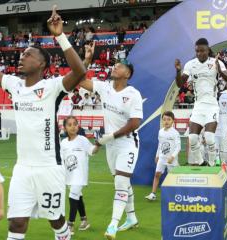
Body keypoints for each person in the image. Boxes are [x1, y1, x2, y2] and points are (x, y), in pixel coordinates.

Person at [0, 5, 86, 240]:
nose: (21, 57)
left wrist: (60, 36)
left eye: (28, 54)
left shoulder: (52, 87)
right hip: (23, 168)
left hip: (49, 168)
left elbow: (79, 70)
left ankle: (64, 234)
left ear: (42, 64)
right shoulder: (14, 85)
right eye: (22, 54)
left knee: (55, 220)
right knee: (16, 223)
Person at [80, 42, 143, 239]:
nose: (115, 66)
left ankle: (113, 225)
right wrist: (88, 59)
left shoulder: (133, 94)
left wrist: (111, 136)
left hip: (127, 144)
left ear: (128, 74)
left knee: (120, 184)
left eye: (120, 65)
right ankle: (131, 217)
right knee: (121, 182)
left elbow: (134, 123)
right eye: (115, 64)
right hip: (111, 145)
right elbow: (79, 80)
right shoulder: (104, 87)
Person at [175, 38, 227, 167]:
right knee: (192, 139)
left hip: (212, 106)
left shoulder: (216, 62)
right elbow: (180, 83)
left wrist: (219, 70)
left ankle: (212, 164)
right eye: (197, 51)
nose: (199, 53)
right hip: (198, 106)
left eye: (202, 51)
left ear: (208, 50)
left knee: (209, 137)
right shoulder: (190, 64)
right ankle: (201, 162)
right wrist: (178, 71)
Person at [60, 116, 99, 235]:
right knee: (78, 197)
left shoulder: (82, 139)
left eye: (75, 124)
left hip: (80, 175)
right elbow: (61, 160)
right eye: (69, 125)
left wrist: (99, 145)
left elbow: (92, 151)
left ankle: (70, 225)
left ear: (78, 126)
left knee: (73, 197)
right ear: (65, 128)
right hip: (69, 176)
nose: (73, 127)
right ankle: (84, 220)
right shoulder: (63, 143)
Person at [145, 111, 180, 201]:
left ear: (173, 121)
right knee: (157, 175)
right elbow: (160, 145)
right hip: (162, 158)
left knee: (172, 177)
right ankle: (153, 194)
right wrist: (157, 155)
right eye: (164, 119)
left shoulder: (175, 133)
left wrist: (172, 157)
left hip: (172, 160)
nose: (166, 121)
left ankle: (175, 196)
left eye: (168, 119)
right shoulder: (160, 132)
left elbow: (178, 147)